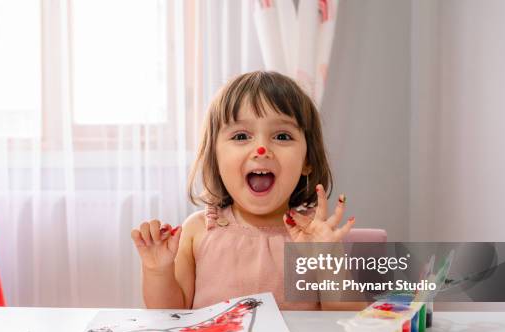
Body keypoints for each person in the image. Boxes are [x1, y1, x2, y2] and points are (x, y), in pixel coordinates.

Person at [131, 71, 357, 310]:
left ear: (307, 160)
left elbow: (344, 322)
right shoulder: (198, 230)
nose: (261, 149)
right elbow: (170, 314)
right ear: (215, 157)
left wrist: (327, 259)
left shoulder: (315, 235)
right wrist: (158, 271)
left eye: (282, 136)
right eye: (241, 136)